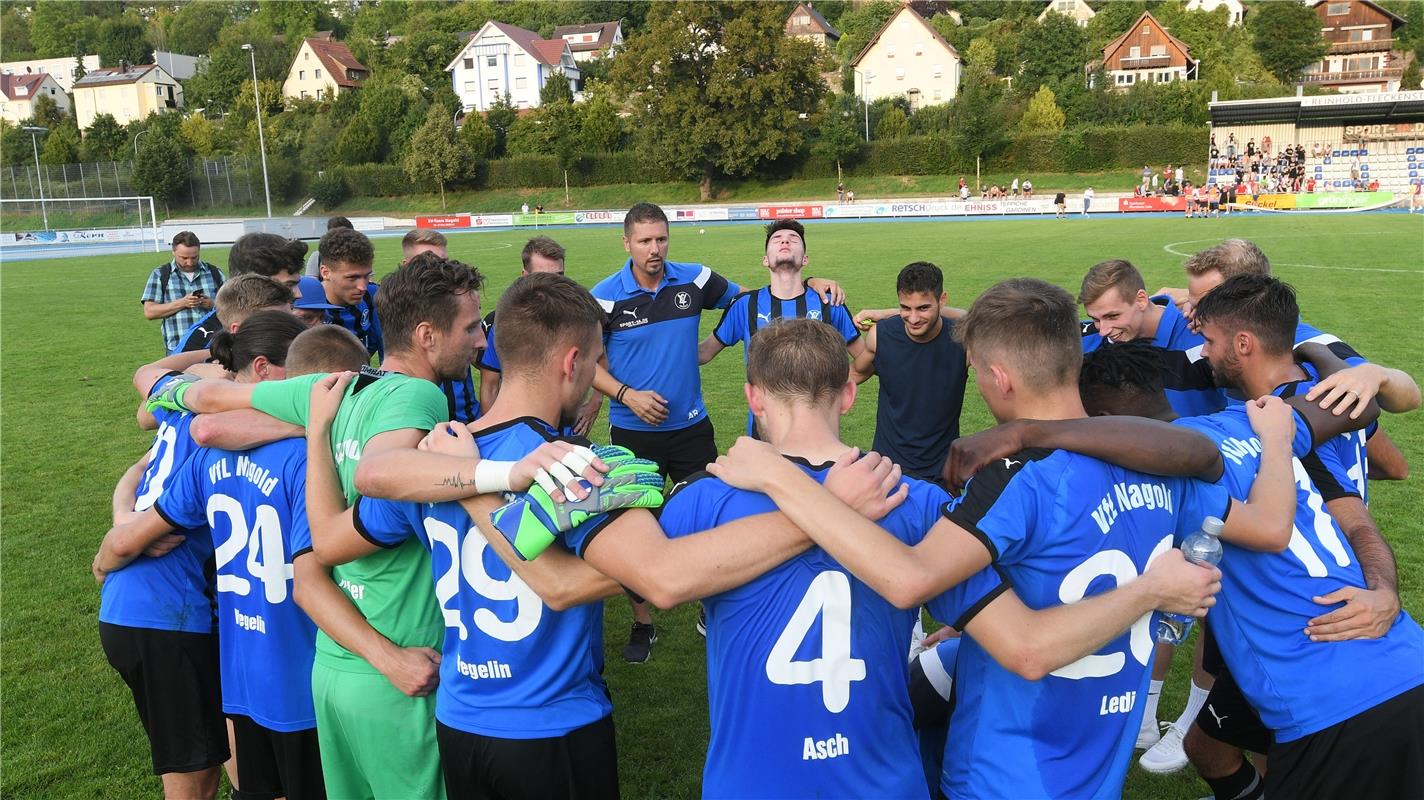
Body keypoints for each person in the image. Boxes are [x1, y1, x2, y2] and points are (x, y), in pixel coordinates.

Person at [704, 280, 1296, 799]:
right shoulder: (1162, 467)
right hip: (1099, 758)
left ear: (999, 377)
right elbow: (1270, 526)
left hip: (1006, 771)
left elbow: (913, 578)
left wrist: (784, 479)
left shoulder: (1014, 481)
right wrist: (1275, 439)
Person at [144, 254, 604, 799]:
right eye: (469, 328)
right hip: (407, 670)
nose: (482, 343)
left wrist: (299, 429)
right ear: (427, 334)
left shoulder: (336, 391)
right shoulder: (420, 399)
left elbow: (210, 414)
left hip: (337, 666)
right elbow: (381, 472)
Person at [1092, 284, 1424, 800]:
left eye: (1210, 339)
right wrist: (1360, 368)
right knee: (1209, 743)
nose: (1202, 350)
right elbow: (1385, 454)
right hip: (1397, 654)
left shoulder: (1198, 458)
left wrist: (1031, 434)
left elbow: (1333, 519)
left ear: (1243, 342)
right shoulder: (1290, 412)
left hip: (1324, 683)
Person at [96, 312, 334, 800]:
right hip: (175, 617)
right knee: (194, 775)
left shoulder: (191, 417)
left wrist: (121, 521)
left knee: (224, 759)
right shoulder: (253, 437)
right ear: (265, 368)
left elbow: (142, 446)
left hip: (185, 621)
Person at [698, 219, 862, 435]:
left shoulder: (829, 303)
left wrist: (834, 387)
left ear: (805, 259)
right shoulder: (745, 305)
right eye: (777, 239)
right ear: (765, 260)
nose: (785, 240)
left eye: (793, 239)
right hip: (763, 434)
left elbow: (866, 357)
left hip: (820, 434)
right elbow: (703, 353)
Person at [849, 262, 967, 485]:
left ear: (942, 300)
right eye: (905, 308)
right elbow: (855, 374)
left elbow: (979, 318)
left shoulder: (962, 341)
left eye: (923, 308)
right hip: (886, 469)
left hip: (941, 472)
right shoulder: (880, 336)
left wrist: (885, 313)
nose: (913, 319)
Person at [478, 236, 601, 434]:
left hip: (564, 437)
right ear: (525, 275)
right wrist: (499, 434)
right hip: (520, 434)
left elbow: (597, 358)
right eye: (543, 276)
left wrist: (595, 402)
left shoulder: (580, 317)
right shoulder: (502, 321)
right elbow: (490, 388)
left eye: (559, 275)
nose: (553, 284)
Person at [1079, 259, 1223, 417]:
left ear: (1141, 300)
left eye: (1112, 316)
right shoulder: (1082, 341)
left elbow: (1241, 412)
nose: (1103, 331)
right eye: (1095, 319)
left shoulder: (1201, 337)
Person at [175, 233, 309, 353]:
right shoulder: (202, 341)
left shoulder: (297, 327)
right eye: (288, 286)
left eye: (296, 284)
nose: (298, 294)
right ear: (250, 285)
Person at [143, 231, 224, 353]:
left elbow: (234, 307)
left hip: (212, 347)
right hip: (178, 347)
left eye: (194, 257)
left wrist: (212, 305)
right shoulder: (161, 275)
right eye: (184, 258)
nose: (189, 263)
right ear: (173, 252)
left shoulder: (215, 273)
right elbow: (149, 312)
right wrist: (182, 303)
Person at [316, 227, 382, 359]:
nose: (362, 287)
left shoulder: (374, 295)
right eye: (352, 278)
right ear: (325, 272)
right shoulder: (308, 305)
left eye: (367, 276)